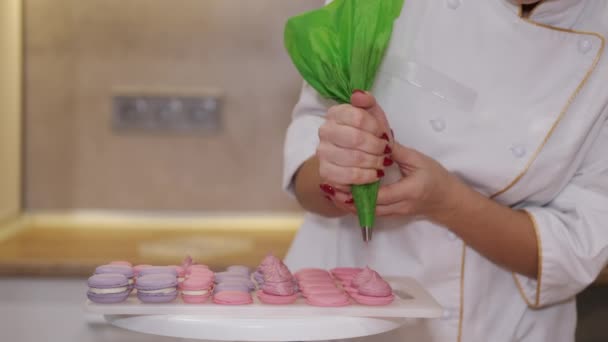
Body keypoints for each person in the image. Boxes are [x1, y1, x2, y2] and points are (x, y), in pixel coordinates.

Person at [282, 0, 608, 341]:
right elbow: (307, 172)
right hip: (344, 310)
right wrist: (341, 168)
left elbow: (575, 247)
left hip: (501, 325)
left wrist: (448, 202)